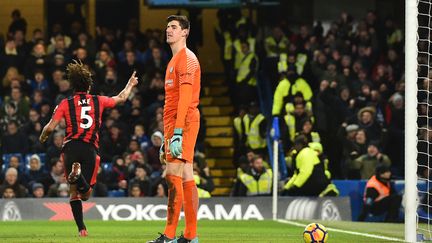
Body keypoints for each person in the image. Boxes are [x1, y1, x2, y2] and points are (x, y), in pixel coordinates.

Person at [39, 60, 138, 237]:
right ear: (88, 86)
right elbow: (121, 98)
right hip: (90, 148)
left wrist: (43, 137)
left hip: (70, 148)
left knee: (73, 192)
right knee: (85, 194)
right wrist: (130, 84)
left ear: (72, 85)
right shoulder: (98, 100)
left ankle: (81, 229)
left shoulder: (65, 103)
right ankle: (80, 181)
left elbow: (50, 127)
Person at [148, 15, 200, 243]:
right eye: (167, 26)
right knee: (186, 174)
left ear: (185, 32)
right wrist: (169, 136)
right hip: (175, 124)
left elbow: (186, 100)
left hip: (184, 121)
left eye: (174, 27)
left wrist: (177, 132)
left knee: (172, 176)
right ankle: (190, 236)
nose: (168, 30)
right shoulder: (174, 60)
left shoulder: (187, 59)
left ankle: (169, 236)